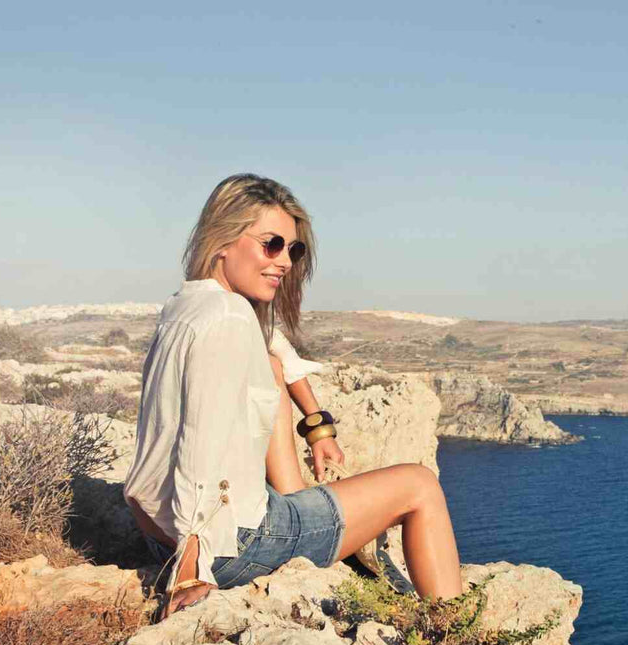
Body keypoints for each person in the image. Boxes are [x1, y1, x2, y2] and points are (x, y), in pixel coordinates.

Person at [123, 173, 462, 618]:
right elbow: (198, 447)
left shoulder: (186, 305)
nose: (285, 261)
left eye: (293, 249)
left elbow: (275, 350)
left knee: (272, 369)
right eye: (271, 244)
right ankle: (456, 640)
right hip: (225, 547)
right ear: (222, 239)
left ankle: (296, 501)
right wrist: (190, 571)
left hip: (157, 532)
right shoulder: (228, 319)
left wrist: (316, 425)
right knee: (419, 485)